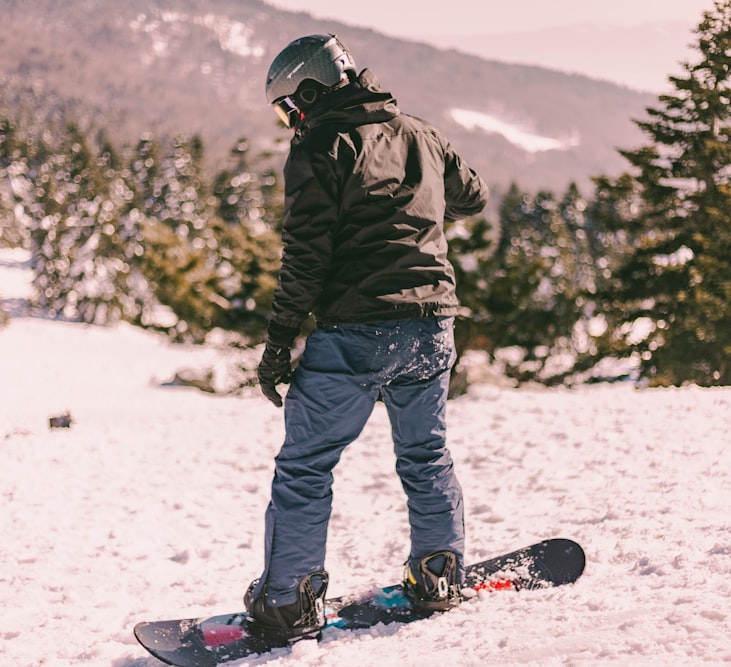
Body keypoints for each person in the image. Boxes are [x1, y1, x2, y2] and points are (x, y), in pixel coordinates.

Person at [245, 33, 489, 640]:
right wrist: (415, 211)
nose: (289, 121)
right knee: (425, 453)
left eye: (288, 108)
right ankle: (439, 573)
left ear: (309, 90)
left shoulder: (319, 147)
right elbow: (472, 197)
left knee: (306, 465)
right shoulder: (420, 134)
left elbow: (304, 258)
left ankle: (288, 602)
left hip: (356, 332)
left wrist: (278, 345)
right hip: (432, 325)